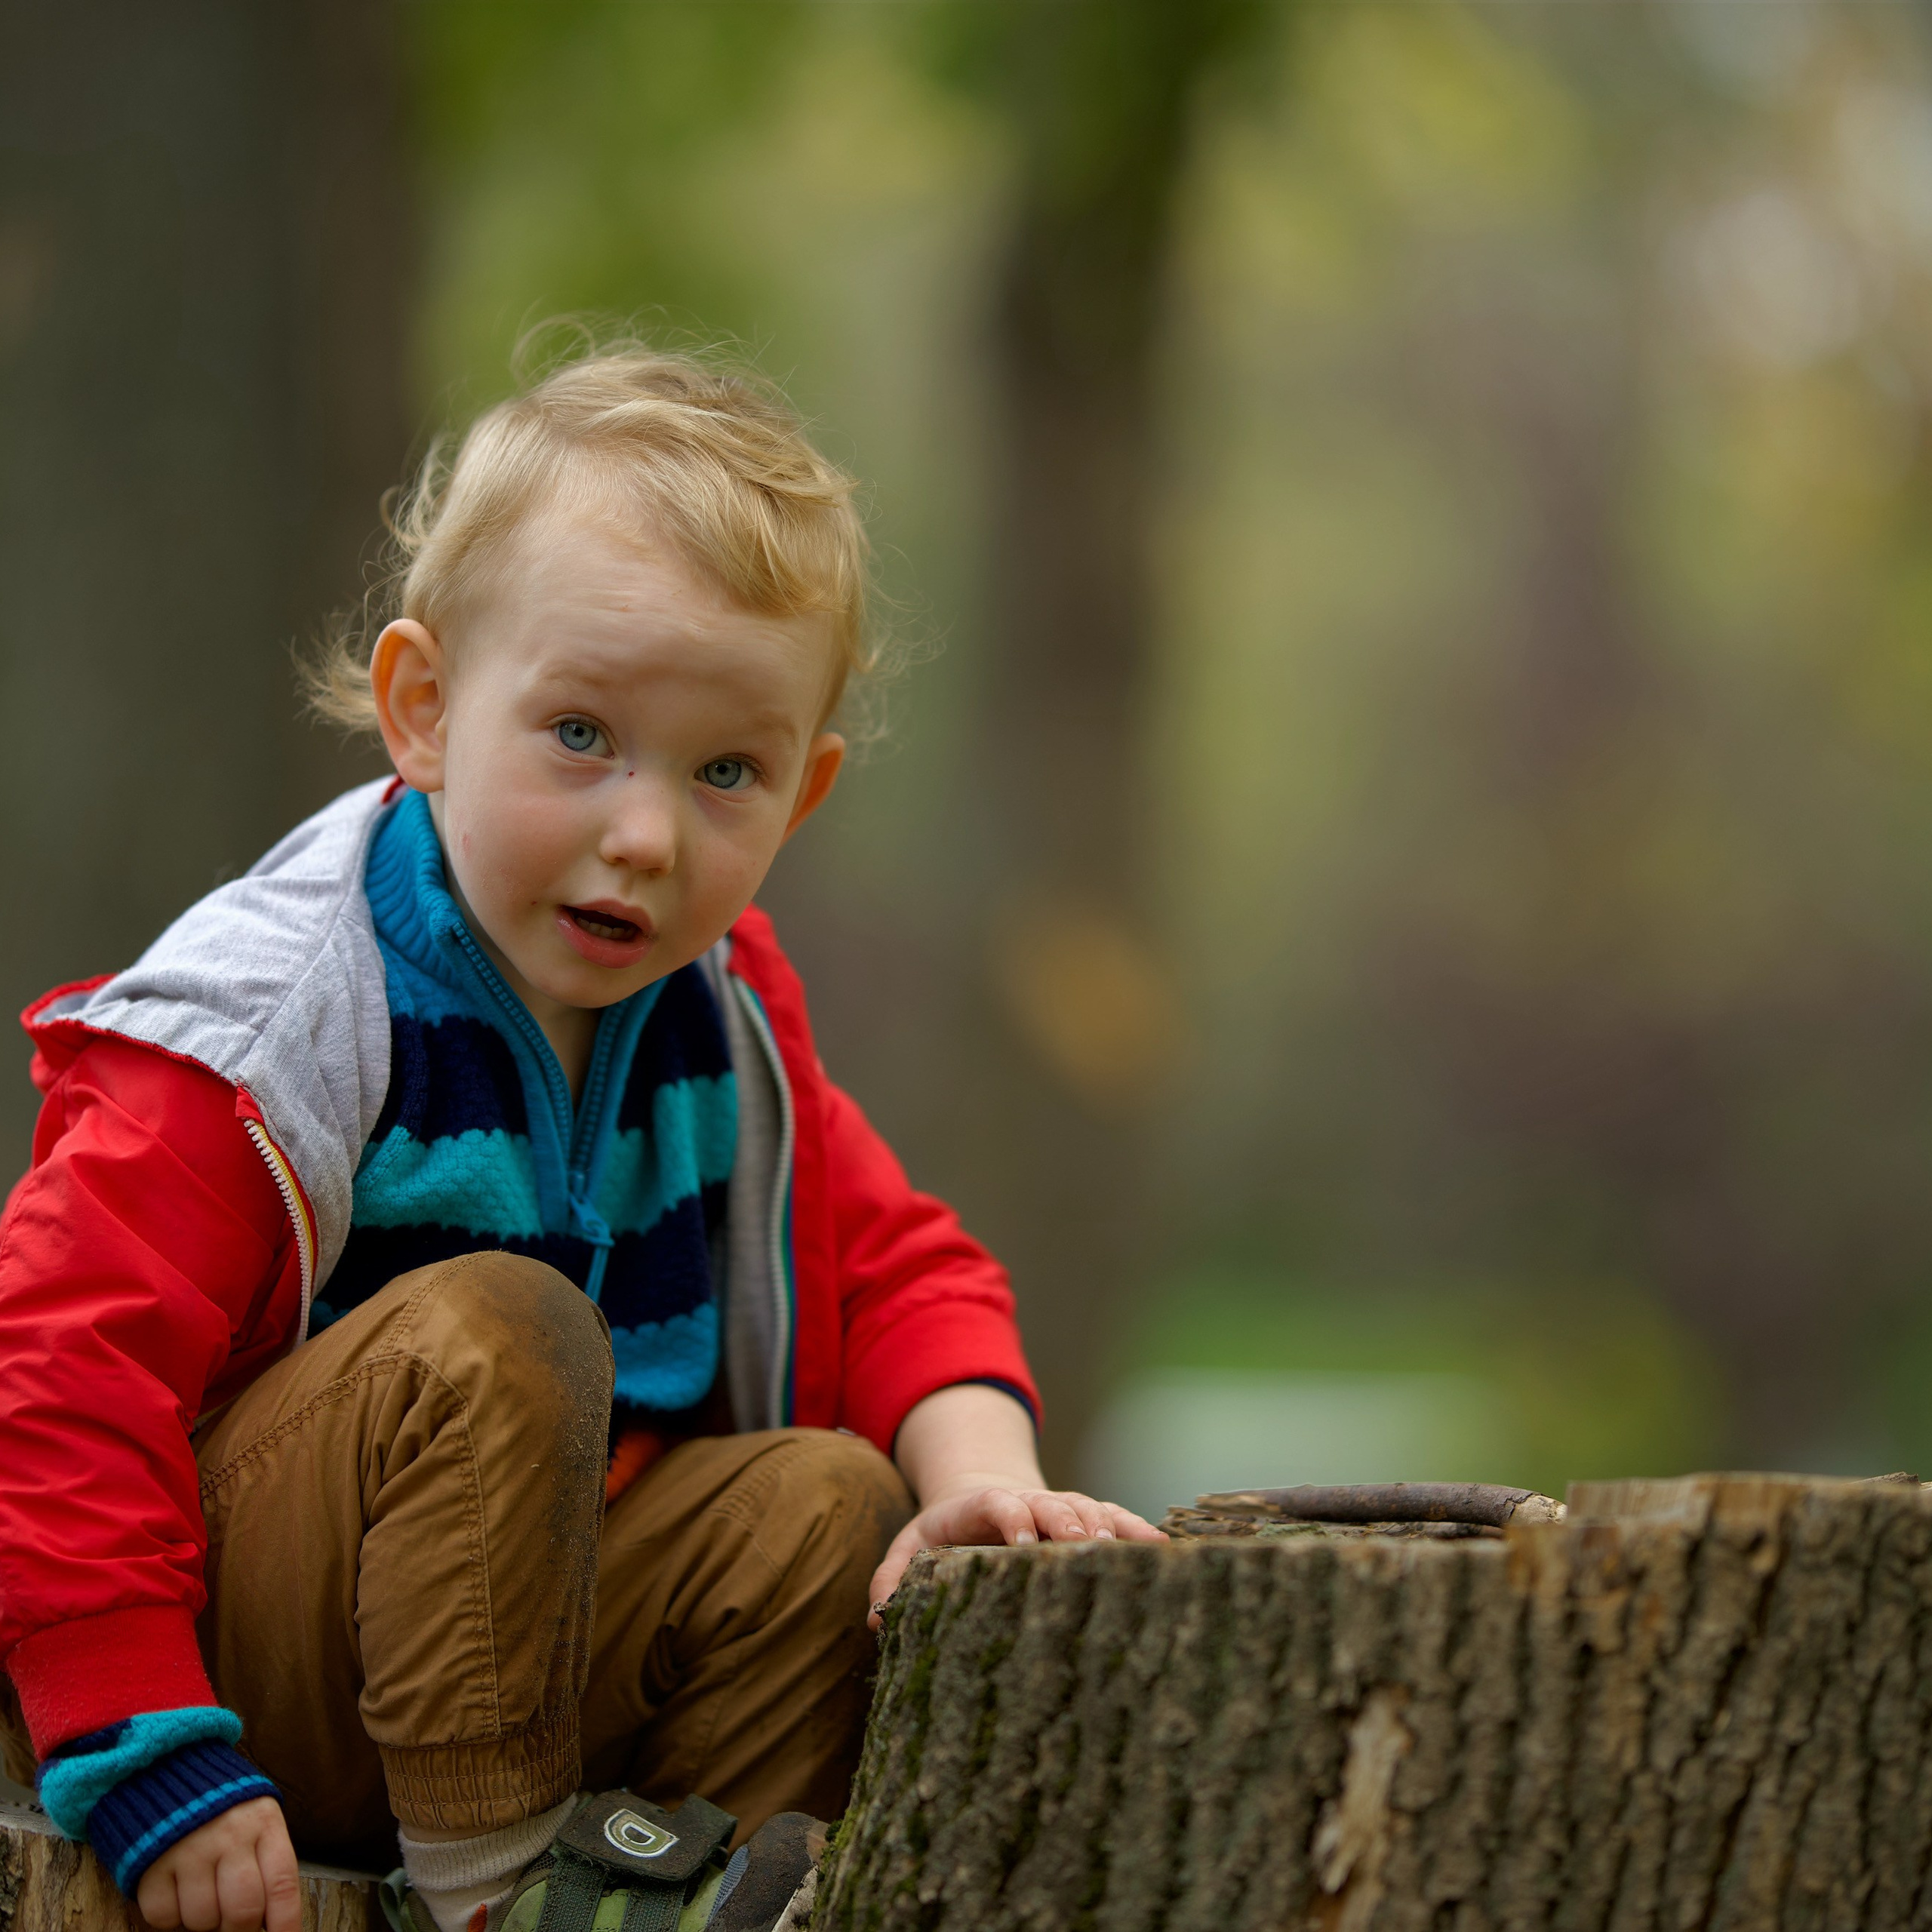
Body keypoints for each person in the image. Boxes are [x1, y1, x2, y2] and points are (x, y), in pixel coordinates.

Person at [0, 343, 1163, 1932]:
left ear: (800, 796)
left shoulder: (719, 1020)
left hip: (523, 1665)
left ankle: (686, 1879)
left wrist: (980, 1474)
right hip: (233, 1657)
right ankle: (496, 1901)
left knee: (829, 1495)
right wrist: (136, 1739)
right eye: (578, 735)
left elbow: (895, 1261)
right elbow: (59, 1364)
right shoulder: (281, 1011)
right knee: (502, 1323)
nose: (644, 829)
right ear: (423, 707)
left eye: (726, 770)